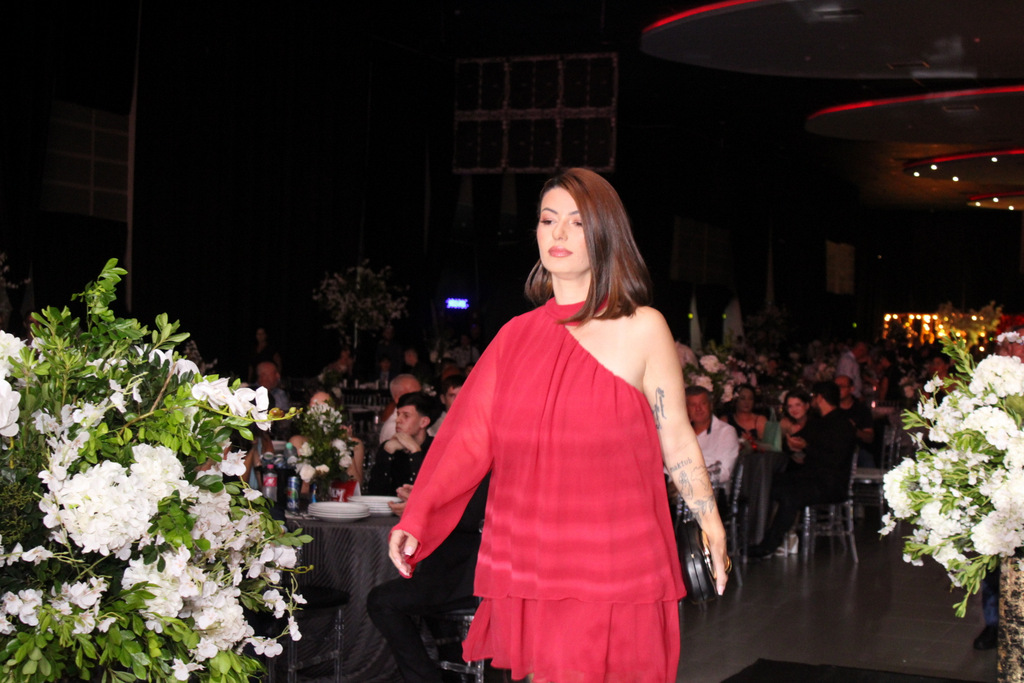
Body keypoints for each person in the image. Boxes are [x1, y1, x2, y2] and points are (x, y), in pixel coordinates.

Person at [387, 168, 729, 683]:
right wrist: (417, 518)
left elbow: (677, 437)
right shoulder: (515, 337)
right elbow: (467, 439)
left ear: (605, 234)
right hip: (535, 554)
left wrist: (711, 521)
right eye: (549, 220)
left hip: (617, 552)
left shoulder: (642, 327)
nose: (559, 233)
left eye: (577, 221)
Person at [367, 475, 490, 683]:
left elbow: (471, 514)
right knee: (387, 600)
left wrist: (420, 506)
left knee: (381, 601)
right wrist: (420, 499)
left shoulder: (491, 464)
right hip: (450, 571)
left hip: (467, 576)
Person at [748, 381, 856, 559]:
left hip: (830, 484)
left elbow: (835, 460)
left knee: (790, 496)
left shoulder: (842, 425)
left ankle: (768, 545)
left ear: (819, 398)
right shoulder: (818, 423)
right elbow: (798, 442)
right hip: (810, 478)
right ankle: (754, 536)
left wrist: (806, 448)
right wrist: (793, 446)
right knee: (767, 483)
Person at [366, 391, 438, 496]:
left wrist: (415, 451)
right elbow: (375, 493)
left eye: (406, 416)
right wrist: (387, 453)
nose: (398, 420)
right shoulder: (390, 446)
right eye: (398, 414)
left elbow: (428, 493)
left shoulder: (437, 448)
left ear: (423, 422)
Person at [686, 385, 740, 486]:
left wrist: (690, 479)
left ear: (710, 405)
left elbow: (724, 472)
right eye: (693, 405)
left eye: (703, 403)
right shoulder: (680, 434)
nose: (698, 409)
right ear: (686, 408)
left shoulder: (726, 432)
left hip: (711, 490)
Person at [378, 374, 423, 444]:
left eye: (420, 394)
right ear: (398, 399)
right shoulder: (394, 428)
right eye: (413, 395)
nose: (420, 398)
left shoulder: (422, 416)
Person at [726, 384, 767, 451]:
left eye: (750, 399)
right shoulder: (726, 420)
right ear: (736, 400)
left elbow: (767, 448)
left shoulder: (760, 420)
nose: (747, 402)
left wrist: (751, 442)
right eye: (742, 398)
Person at [428, 373, 465, 438]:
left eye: (462, 395)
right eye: (452, 396)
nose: (457, 399)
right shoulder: (437, 430)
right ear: (443, 399)